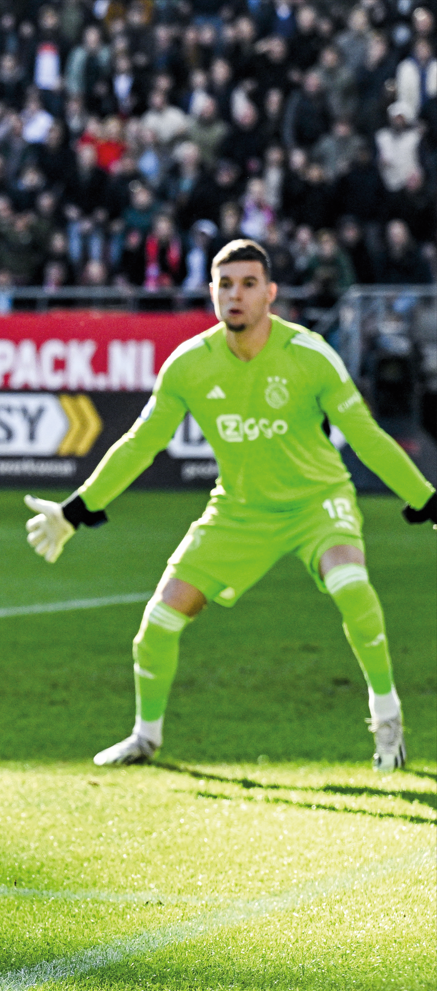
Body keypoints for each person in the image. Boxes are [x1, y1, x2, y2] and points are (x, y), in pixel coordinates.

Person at [23, 240, 436, 774]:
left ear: (270, 293)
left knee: (351, 586)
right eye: (225, 284)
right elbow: (140, 443)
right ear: (211, 292)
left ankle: (387, 719)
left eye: (247, 284)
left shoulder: (310, 355)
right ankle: (145, 737)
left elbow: (368, 437)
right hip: (239, 511)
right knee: (158, 623)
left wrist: (426, 499)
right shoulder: (190, 364)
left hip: (318, 501)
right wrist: (78, 509)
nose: (235, 295)